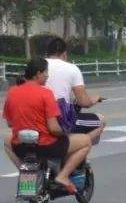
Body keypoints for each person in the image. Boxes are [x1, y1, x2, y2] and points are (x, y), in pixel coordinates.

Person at [2, 58, 99, 193]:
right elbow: (53, 128)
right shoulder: (45, 93)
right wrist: (64, 132)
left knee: (6, 141)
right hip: (46, 147)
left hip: (21, 147)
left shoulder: (12, 92)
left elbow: (10, 123)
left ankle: (25, 170)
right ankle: (63, 176)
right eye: (45, 72)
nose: (47, 75)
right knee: (86, 141)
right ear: (37, 74)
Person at [44, 37, 106, 138]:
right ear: (64, 53)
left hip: (36, 117)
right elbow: (84, 102)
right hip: (60, 118)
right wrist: (95, 99)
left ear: (47, 53)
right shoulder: (72, 68)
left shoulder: (37, 66)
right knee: (101, 121)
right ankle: (78, 145)